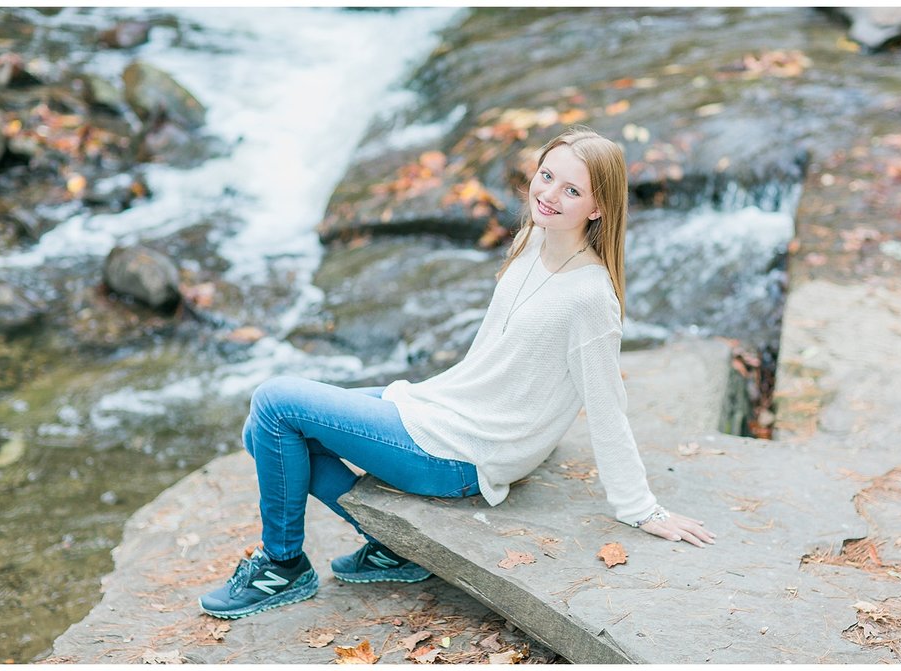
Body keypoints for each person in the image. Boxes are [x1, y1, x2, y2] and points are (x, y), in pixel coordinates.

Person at [199, 126, 717, 620]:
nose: (550, 194)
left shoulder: (589, 298)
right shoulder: (535, 241)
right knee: (264, 432)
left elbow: (608, 409)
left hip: (466, 452)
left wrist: (641, 509)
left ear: (599, 207)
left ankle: (283, 566)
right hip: (450, 407)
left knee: (274, 404)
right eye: (546, 176)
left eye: (572, 190)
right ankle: (393, 548)